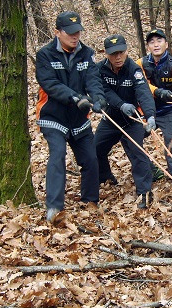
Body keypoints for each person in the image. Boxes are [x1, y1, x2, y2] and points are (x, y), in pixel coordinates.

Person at [35, 11, 107, 223]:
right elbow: (50, 84)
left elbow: (93, 80)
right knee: (57, 155)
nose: (75, 37)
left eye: (78, 32)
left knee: (91, 159)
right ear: (58, 32)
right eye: (70, 33)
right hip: (53, 117)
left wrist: (98, 99)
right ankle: (54, 207)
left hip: (79, 118)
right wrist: (75, 97)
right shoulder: (45, 55)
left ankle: (91, 201)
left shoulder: (87, 53)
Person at [95, 34, 157, 208]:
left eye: (121, 52)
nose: (118, 57)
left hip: (132, 121)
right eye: (113, 54)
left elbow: (143, 91)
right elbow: (104, 91)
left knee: (138, 154)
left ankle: (144, 193)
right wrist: (121, 104)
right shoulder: (100, 69)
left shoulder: (134, 69)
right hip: (111, 119)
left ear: (126, 51)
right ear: (106, 54)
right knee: (96, 148)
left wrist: (150, 115)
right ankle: (106, 177)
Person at [136, 29, 172, 189]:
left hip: (169, 110)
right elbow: (140, 84)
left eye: (159, 41)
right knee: (132, 138)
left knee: (170, 141)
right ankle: (152, 170)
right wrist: (157, 91)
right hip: (147, 111)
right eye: (152, 42)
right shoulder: (140, 64)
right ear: (148, 46)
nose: (156, 45)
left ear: (166, 44)